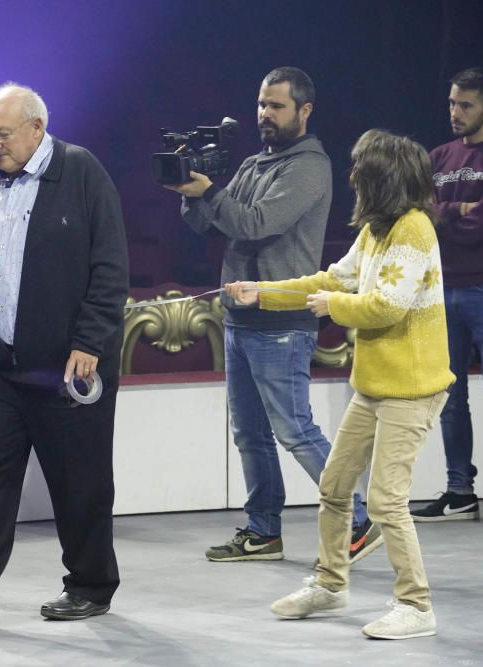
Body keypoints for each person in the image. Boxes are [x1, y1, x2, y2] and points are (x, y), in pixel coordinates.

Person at [0, 83, 129, 629]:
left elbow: (110, 268)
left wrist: (88, 342)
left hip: (67, 367)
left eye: (3, 134)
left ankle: (90, 585)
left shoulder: (81, 172)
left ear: (37, 128)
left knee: (78, 481)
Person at [231, 129, 455, 639]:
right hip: (374, 385)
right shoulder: (377, 229)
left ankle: (416, 606)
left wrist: (335, 308)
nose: (353, 177)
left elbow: (385, 306)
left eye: (361, 170)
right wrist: (262, 292)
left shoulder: (415, 230)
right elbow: (331, 279)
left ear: (384, 178)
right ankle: (331, 584)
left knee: (384, 501)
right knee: (334, 486)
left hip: (413, 388)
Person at [166, 66, 378, 562]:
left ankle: (359, 519)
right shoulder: (255, 163)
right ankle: (263, 531)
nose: (264, 114)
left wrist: (210, 195)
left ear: (304, 110)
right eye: (262, 104)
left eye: (276, 106)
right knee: (251, 434)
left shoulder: (309, 167)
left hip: (282, 320)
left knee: (295, 430)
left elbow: (257, 224)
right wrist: (189, 194)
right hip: (242, 318)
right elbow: (211, 223)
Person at [411, 67, 483, 525]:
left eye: (465, 104)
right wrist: (454, 210)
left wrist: (448, 218)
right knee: (450, 395)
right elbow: (418, 215)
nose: (455, 112)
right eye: (451, 103)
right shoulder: (437, 156)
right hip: (443, 290)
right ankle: (460, 491)